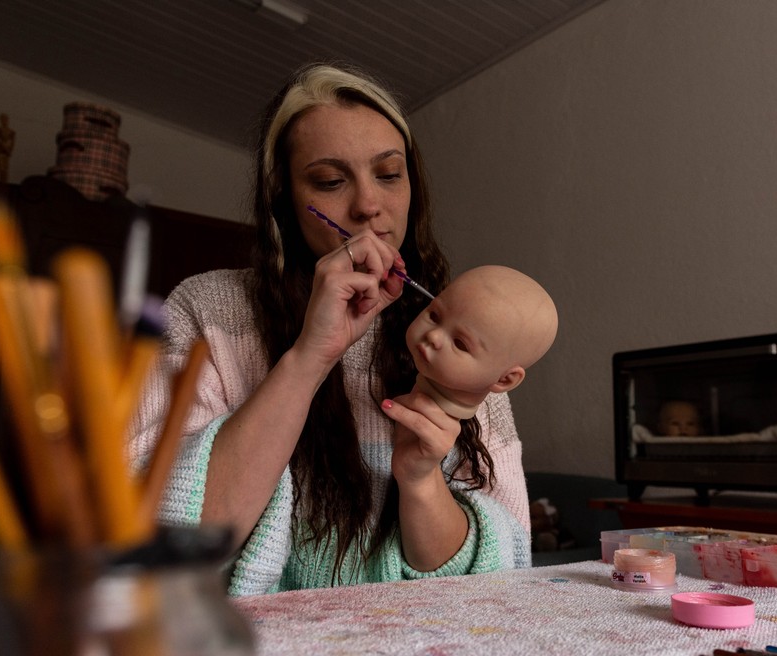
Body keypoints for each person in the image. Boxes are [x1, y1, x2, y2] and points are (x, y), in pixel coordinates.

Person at [130, 62, 532, 596]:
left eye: (389, 173)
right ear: (283, 197)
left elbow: (509, 564)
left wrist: (420, 481)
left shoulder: (455, 333)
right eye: (330, 180)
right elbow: (159, 543)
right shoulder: (207, 308)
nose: (368, 205)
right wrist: (310, 355)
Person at [407, 265, 557, 420]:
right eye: (434, 316)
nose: (433, 336)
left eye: (460, 344)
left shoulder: (492, 426)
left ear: (504, 380)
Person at [0, 113, 15, 183]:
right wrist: (3, 145)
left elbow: (12, 142)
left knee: (6, 169)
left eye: (5, 119)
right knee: (1, 168)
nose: (4, 121)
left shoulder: (12, 132)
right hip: (1, 151)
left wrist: (9, 150)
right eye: (2, 119)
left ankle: (4, 183)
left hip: (7, 153)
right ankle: (0, 182)